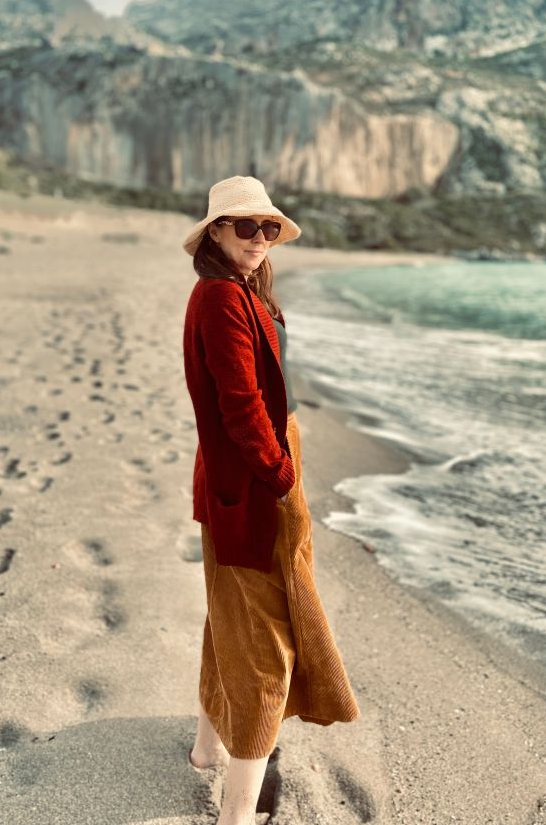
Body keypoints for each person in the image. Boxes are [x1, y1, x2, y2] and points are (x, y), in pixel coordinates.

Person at [181, 175, 360, 825]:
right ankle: (235, 816)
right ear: (216, 234)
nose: (259, 238)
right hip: (251, 488)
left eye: (267, 228)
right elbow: (240, 405)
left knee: (228, 621)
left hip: (240, 480)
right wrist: (281, 475)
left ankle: (206, 752)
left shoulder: (238, 293)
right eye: (244, 226)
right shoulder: (222, 298)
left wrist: (281, 459)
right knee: (265, 652)